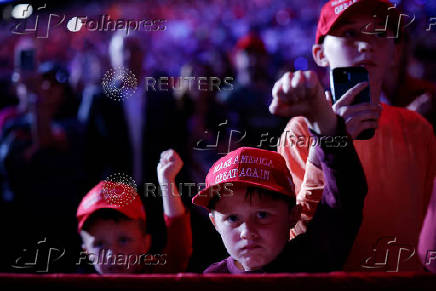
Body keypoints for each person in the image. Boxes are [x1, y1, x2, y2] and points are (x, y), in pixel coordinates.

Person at [277, 0, 436, 271]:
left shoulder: (417, 129)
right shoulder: (301, 131)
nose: (366, 45)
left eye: (379, 34)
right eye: (350, 34)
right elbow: (293, 235)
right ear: (320, 54)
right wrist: (326, 146)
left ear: (394, 53)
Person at [191, 75, 368, 273]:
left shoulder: (312, 259)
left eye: (262, 215)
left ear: (293, 214)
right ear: (214, 222)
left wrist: (324, 124)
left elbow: (345, 196)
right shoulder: (210, 280)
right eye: (232, 218)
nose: (247, 233)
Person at [77, 149, 192, 274]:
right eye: (99, 244)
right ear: (86, 251)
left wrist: (167, 180)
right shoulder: (80, 286)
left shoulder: (153, 275)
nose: (112, 255)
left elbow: (178, 252)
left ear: (145, 243)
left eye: (123, 240)